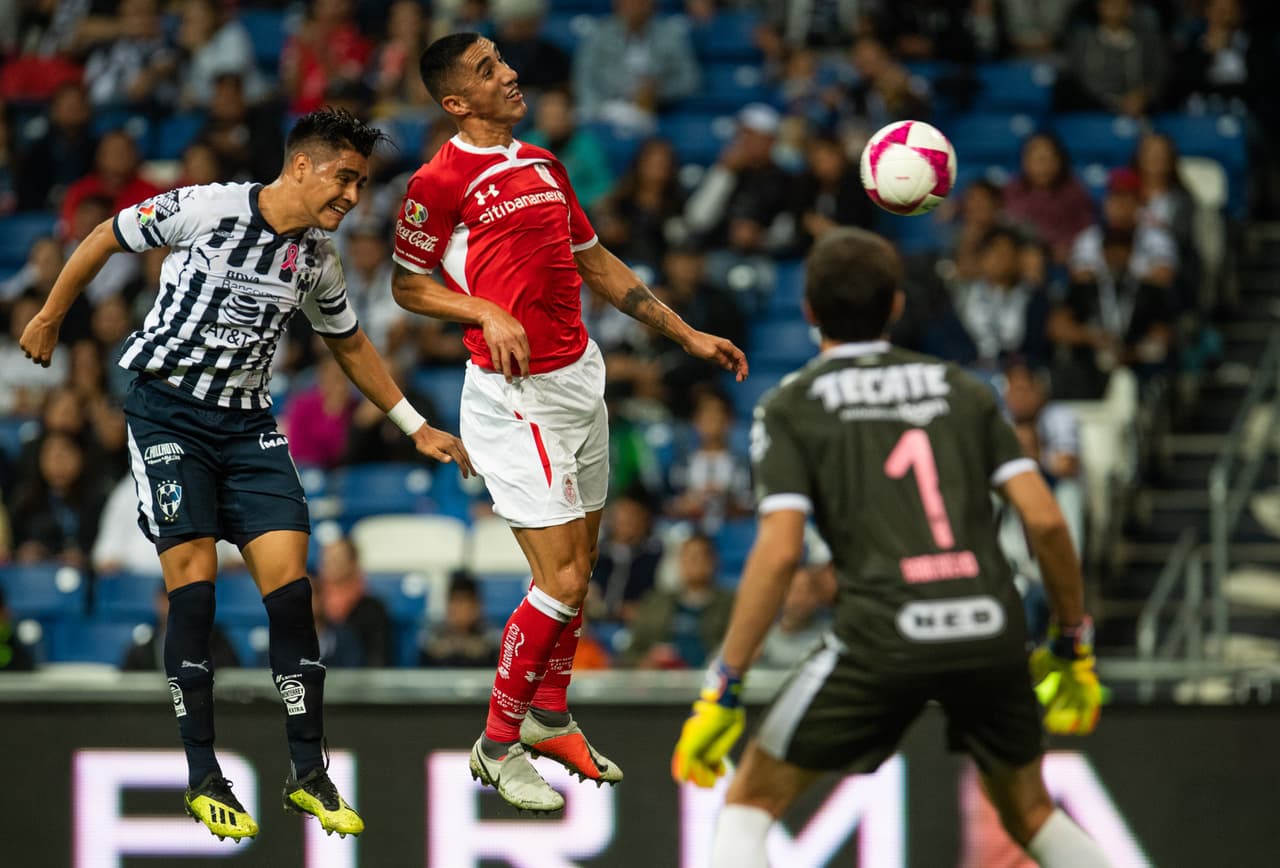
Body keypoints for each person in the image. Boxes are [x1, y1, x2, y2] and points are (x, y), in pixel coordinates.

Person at [19, 107, 473, 843]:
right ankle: (203, 773)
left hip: (247, 427)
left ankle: (308, 771)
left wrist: (414, 424)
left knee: (293, 592)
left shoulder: (316, 258)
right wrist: (49, 316)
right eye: (345, 178)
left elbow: (349, 345)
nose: (353, 196)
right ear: (301, 165)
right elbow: (107, 234)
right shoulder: (208, 206)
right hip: (166, 412)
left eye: (361, 183)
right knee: (192, 588)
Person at [671, 227, 1109, 868]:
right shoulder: (964, 389)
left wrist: (725, 683)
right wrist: (1073, 643)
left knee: (748, 804)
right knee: (1032, 813)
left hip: (883, 634)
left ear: (809, 311)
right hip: (989, 626)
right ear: (897, 306)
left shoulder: (791, 406)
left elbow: (779, 551)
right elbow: (1044, 521)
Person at [392, 33, 748, 813]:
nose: (510, 73)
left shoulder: (544, 166)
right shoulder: (437, 182)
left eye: (502, 61)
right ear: (456, 102)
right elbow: (407, 287)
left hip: (580, 378)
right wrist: (486, 309)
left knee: (578, 568)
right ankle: (496, 742)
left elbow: (595, 260)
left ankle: (550, 715)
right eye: (488, 69)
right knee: (559, 580)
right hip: (512, 398)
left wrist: (683, 332)